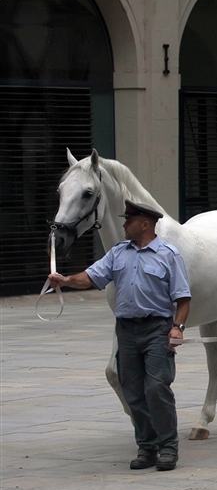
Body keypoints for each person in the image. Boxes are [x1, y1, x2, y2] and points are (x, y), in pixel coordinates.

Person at [48, 200, 191, 471]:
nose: (124, 225)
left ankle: (168, 448)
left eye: (129, 220)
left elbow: (183, 298)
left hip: (157, 329)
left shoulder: (168, 254)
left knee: (157, 388)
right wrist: (66, 281)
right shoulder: (117, 253)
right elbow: (91, 277)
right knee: (133, 392)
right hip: (126, 331)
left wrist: (177, 327)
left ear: (145, 224)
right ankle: (146, 447)